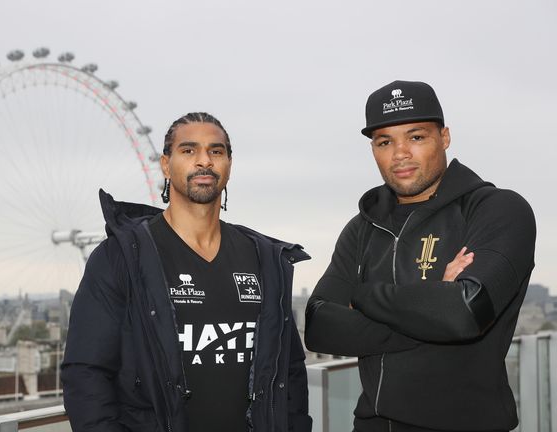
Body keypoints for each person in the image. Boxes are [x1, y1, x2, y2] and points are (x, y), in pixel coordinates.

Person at [304, 80, 536, 432]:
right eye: (385, 141)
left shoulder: (497, 209)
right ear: (373, 149)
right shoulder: (363, 226)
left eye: (416, 137)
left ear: (444, 137)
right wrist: (433, 304)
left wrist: (361, 294)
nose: (400, 154)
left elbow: (464, 313)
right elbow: (320, 327)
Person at [62, 112, 313, 432]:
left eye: (216, 151)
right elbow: (86, 374)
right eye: (189, 150)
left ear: (229, 166)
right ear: (166, 165)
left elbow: (288, 370)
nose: (204, 161)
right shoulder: (121, 258)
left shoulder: (264, 258)